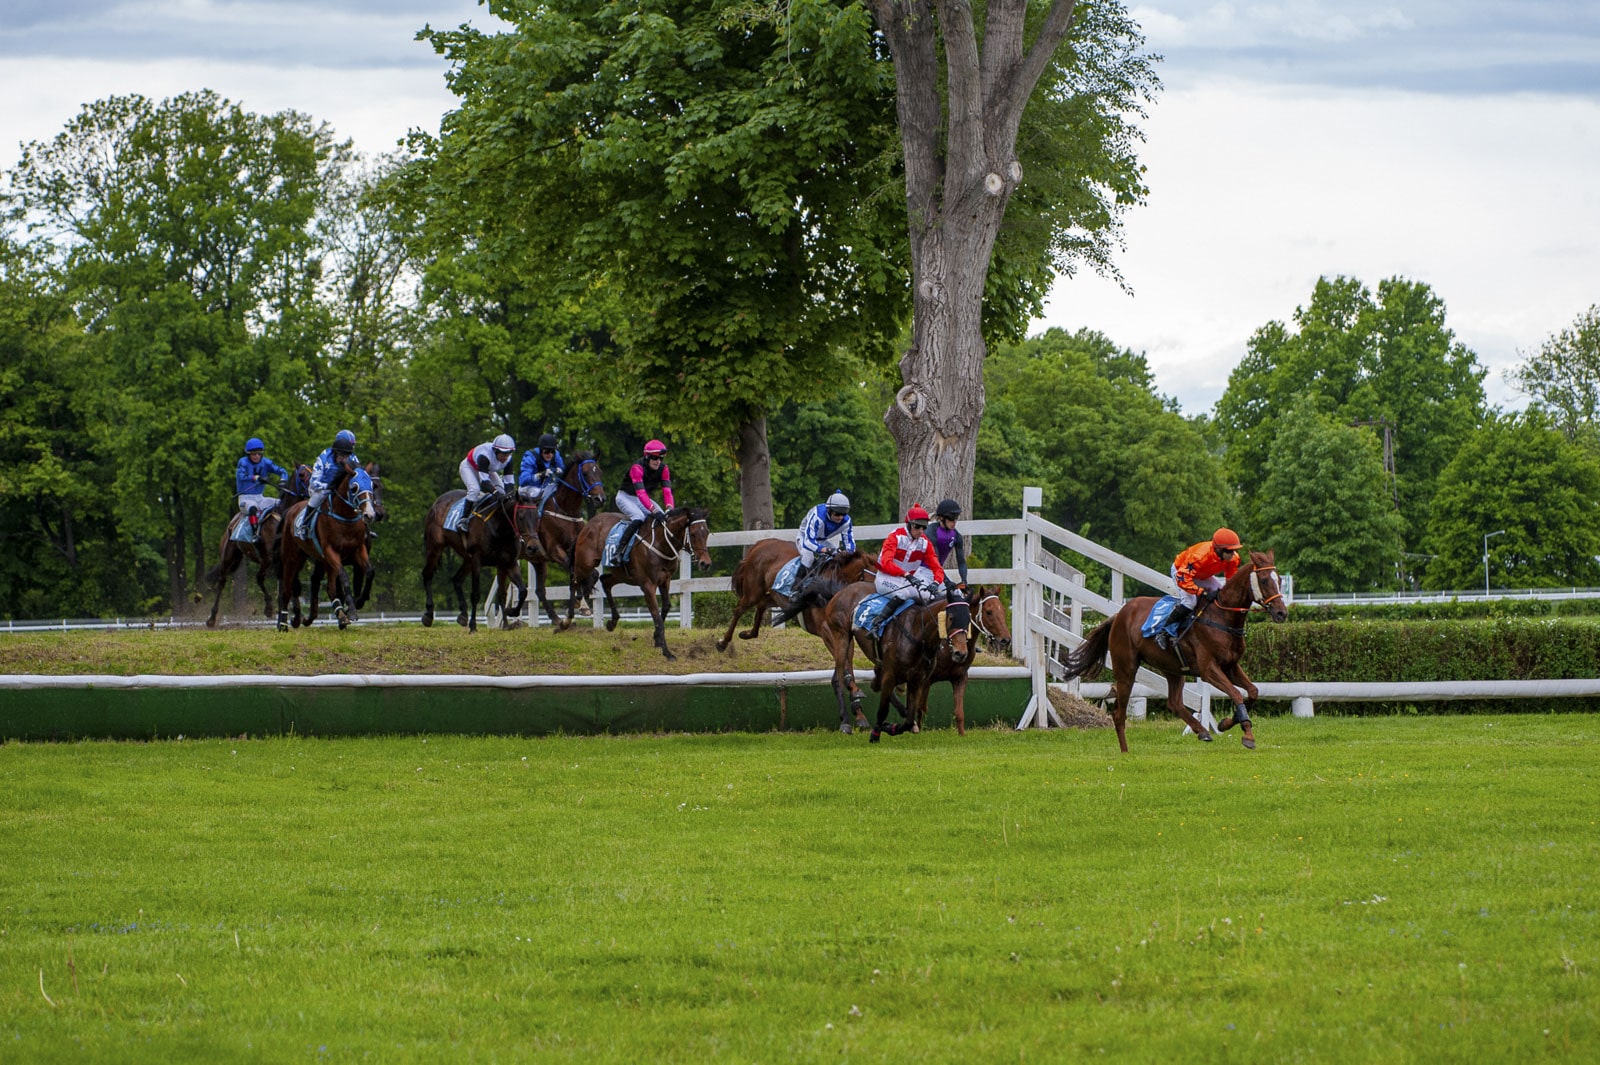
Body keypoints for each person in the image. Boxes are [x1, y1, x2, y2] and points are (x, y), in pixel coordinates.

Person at [1157, 527, 1243, 650]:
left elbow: (1231, 579)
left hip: (1202, 574)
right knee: (1190, 602)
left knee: (1223, 596)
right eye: (1229, 551)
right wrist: (1201, 593)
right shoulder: (1199, 556)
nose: (1232, 554)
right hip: (1182, 572)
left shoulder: (1233, 558)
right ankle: (1163, 632)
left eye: (1234, 550)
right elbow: (1183, 579)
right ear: (1218, 549)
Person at [874, 504, 947, 606]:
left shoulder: (925, 543)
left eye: (924, 527)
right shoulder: (895, 537)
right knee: (902, 595)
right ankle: (879, 621)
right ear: (908, 524)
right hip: (885, 578)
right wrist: (906, 574)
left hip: (906, 581)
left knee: (929, 597)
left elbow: (937, 568)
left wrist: (936, 582)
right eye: (917, 526)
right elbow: (886, 562)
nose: (921, 531)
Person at [613, 439, 674, 552]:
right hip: (625, 497)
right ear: (647, 457)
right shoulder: (637, 468)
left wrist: (669, 508)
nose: (658, 461)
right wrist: (654, 511)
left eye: (660, 458)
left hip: (642, 499)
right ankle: (619, 550)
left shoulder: (664, 469)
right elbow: (641, 493)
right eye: (655, 458)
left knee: (665, 519)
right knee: (639, 517)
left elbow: (667, 491)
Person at [297, 430, 359, 538]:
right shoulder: (324, 457)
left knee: (359, 498)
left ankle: (365, 528)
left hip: (341, 489)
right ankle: (304, 525)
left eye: (352, 446)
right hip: (322, 488)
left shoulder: (352, 457)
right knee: (317, 497)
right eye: (342, 455)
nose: (346, 458)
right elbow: (313, 482)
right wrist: (327, 486)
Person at [792, 491, 855, 596]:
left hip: (822, 540)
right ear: (829, 510)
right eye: (837, 514)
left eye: (843, 514)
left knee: (836, 557)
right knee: (809, 557)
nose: (840, 517)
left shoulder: (847, 521)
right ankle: (796, 588)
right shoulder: (817, 516)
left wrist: (848, 554)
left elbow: (849, 542)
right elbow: (809, 541)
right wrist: (824, 550)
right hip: (805, 537)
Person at [235, 437, 289, 535]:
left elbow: (282, 471)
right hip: (245, 499)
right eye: (253, 454)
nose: (256, 456)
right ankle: (255, 534)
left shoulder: (266, 462)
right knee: (252, 508)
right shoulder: (243, 462)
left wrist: (283, 480)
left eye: (259, 453)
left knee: (282, 503)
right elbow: (242, 476)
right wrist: (257, 478)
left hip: (260, 498)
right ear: (248, 454)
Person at [459, 433, 517, 524]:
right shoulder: (484, 456)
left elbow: (509, 482)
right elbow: (484, 482)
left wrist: (509, 495)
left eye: (508, 454)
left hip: (488, 469)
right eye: (503, 454)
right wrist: (496, 493)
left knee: (504, 493)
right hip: (469, 467)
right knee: (474, 490)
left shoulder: (509, 460)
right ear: (496, 451)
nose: (505, 457)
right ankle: (463, 519)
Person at [927, 498, 970, 596]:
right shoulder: (931, 532)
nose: (954, 521)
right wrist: (947, 581)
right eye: (951, 517)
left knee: (956, 595)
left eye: (956, 517)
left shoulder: (956, 536)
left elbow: (961, 562)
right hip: (923, 570)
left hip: (938, 573)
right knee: (928, 596)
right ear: (941, 518)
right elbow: (935, 561)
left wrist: (964, 580)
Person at [519, 433, 565, 504]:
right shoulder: (530, 457)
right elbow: (522, 481)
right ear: (541, 449)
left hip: (547, 488)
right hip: (529, 488)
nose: (550, 454)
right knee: (544, 494)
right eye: (546, 451)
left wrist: (560, 471)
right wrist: (540, 474)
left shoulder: (556, 455)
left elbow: (563, 469)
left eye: (552, 451)